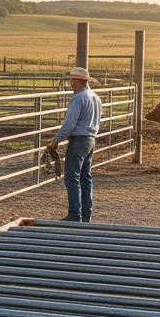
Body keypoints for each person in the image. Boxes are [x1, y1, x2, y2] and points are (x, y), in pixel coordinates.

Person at [46, 66, 102, 222]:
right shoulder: (95, 98)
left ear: (81, 81)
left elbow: (69, 123)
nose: (71, 83)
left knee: (72, 177)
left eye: (73, 80)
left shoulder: (78, 98)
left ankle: (74, 213)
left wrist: (56, 140)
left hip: (78, 140)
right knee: (85, 177)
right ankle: (86, 214)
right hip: (91, 139)